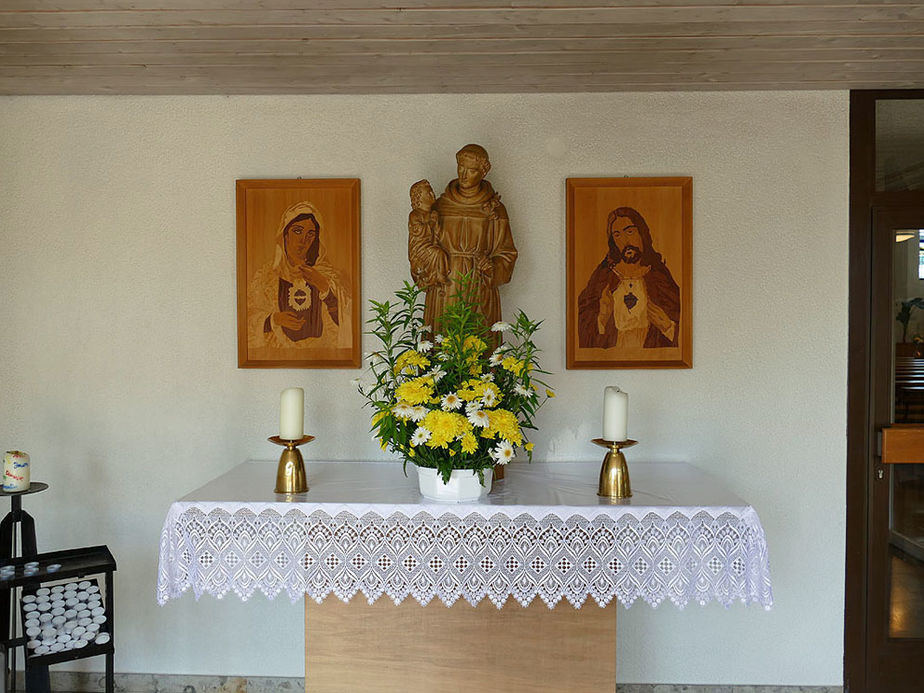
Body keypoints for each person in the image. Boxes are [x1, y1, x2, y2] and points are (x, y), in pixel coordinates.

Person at [409, 144, 518, 333]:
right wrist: (432, 263)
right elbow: (421, 246)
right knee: (443, 344)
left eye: (472, 170)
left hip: (479, 286)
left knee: (478, 347)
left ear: (483, 172)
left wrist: (492, 267)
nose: (464, 174)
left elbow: (507, 253)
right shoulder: (440, 207)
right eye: (461, 167)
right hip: (446, 286)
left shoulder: (494, 209)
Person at [247, 200, 347, 349]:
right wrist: (274, 319)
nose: (303, 240)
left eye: (310, 234)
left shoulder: (328, 276)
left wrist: (325, 290)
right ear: (285, 235)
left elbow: (347, 324)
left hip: (321, 356)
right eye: (297, 231)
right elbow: (247, 323)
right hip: (278, 357)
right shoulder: (266, 278)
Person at [577, 207, 680, 349]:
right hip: (612, 363)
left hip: (650, 361)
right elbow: (583, 325)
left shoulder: (659, 275)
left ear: (642, 233)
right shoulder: (604, 277)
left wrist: (667, 326)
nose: (625, 241)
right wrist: (602, 318)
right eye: (617, 235)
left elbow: (683, 333)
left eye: (630, 232)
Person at [407, 180, 448, 329]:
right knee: (437, 253)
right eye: (428, 193)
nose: (433, 194)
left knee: (440, 254)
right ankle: (435, 276)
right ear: (418, 197)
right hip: (420, 249)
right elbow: (418, 231)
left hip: (430, 247)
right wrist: (429, 222)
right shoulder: (415, 214)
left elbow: (438, 234)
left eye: (432, 191)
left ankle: (439, 275)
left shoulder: (434, 214)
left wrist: (435, 223)